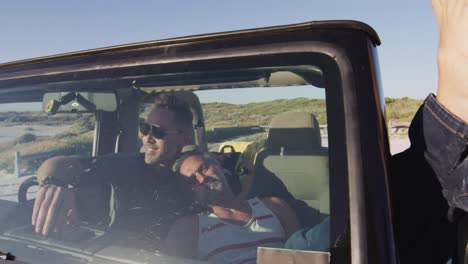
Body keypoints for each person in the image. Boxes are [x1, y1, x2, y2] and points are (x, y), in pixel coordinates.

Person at [31, 93, 194, 238]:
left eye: (158, 132)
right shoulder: (126, 164)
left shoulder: (201, 173)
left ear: (184, 138)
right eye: (145, 128)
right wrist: (51, 184)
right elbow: (59, 163)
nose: (147, 138)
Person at [165, 149, 301, 263]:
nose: (202, 179)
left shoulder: (275, 206)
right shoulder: (189, 228)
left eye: (203, 168)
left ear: (217, 164)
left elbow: (304, 255)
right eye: (192, 181)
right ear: (190, 192)